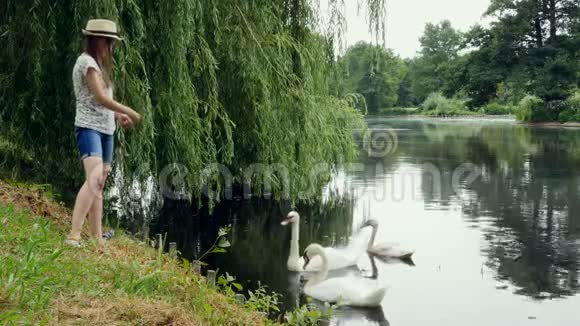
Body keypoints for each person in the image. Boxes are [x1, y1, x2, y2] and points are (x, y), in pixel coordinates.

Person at [65, 19, 141, 247]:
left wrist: (118, 116)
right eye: (107, 41)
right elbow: (100, 98)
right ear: (95, 39)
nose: (110, 46)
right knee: (94, 179)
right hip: (89, 128)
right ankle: (74, 235)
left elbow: (102, 103)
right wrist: (130, 111)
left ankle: (97, 237)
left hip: (107, 130)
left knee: (99, 183)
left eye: (112, 42)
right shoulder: (86, 63)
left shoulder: (100, 65)